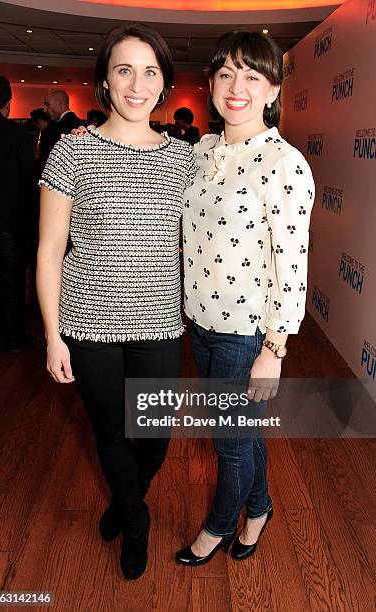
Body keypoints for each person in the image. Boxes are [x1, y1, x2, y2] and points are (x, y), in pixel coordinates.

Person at [36, 24, 196, 581]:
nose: (137, 83)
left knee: (152, 440)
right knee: (109, 432)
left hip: (158, 324)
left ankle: (125, 500)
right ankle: (135, 519)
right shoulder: (72, 150)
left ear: (164, 85)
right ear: (104, 80)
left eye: (150, 71)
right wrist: (54, 334)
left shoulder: (185, 161)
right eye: (124, 69)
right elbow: (50, 250)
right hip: (87, 324)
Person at [175, 30, 315, 566]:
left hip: (244, 330)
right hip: (200, 319)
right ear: (210, 84)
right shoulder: (203, 150)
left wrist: (273, 348)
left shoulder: (284, 163)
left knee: (228, 442)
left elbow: (291, 261)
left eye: (253, 76)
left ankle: (217, 527)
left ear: (273, 88)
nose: (238, 87)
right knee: (241, 432)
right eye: (227, 74)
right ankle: (259, 508)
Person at [0, 75, 37, 352]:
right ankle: (14, 338)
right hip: (8, 222)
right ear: (8, 103)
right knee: (12, 281)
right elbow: (30, 178)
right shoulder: (16, 134)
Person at [30, 107, 59, 172]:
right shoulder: (54, 128)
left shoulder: (48, 133)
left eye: (36, 125)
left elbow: (44, 155)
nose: (37, 128)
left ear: (40, 121)